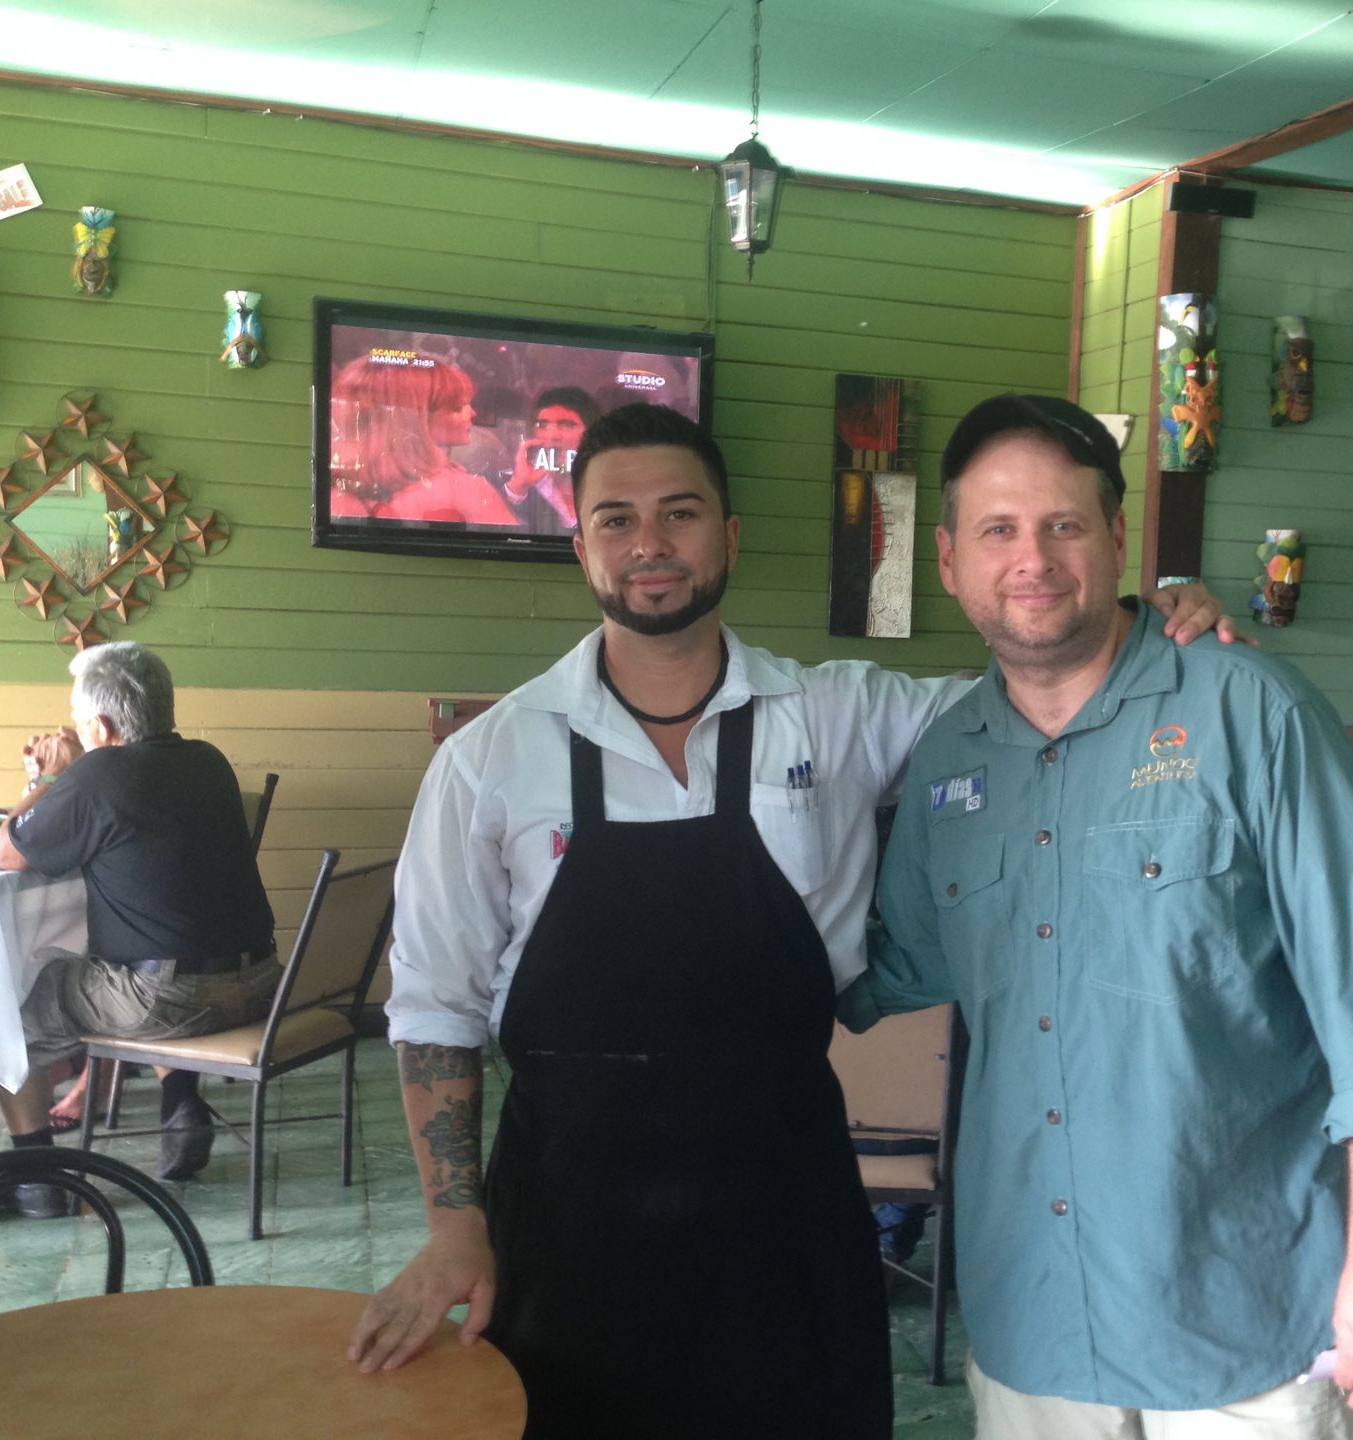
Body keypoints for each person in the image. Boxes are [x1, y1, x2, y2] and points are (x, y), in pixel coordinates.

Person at [343, 402, 1241, 1435]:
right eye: (616, 519)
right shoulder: (491, 760)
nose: (650, 543)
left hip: (786, 1216)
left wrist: (1144, 616)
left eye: (681, 513)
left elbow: (1040, 687)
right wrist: (455, 1229)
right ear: (580, 547)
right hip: (566, 1223)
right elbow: (437, 1011)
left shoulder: (836, 713)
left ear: (728, 535)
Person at [849, 393, 1353, 1437]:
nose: (1032, 558)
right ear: (948, 559)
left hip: (1246, 1310)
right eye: (997, 529)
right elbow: (896, 963)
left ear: (1117, 538)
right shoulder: (950, 759)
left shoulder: (1249, 709)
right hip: (1033, 1311)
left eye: (1064, 523)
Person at [0, 642, 278, 1207]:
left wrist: (50, 778)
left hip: (167, 1001)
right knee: (127, 952)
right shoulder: (209, 760)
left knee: (8, 1010)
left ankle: (37, 1178)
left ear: (99, 725)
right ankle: (178, 1102)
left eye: (79, 719)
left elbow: (6, 852)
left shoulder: (97, 774)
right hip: (262, 987)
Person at [329, 352, 516, 526]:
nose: (472, 413)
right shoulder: (467, 490)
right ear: (413, 420)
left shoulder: (333, 495)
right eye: (457, 407)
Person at [499, 386, 600, 534]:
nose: (552, 436)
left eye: (567, 425)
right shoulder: (505, 481)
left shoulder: (608, 483)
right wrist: (518, 487)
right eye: (542, 425)